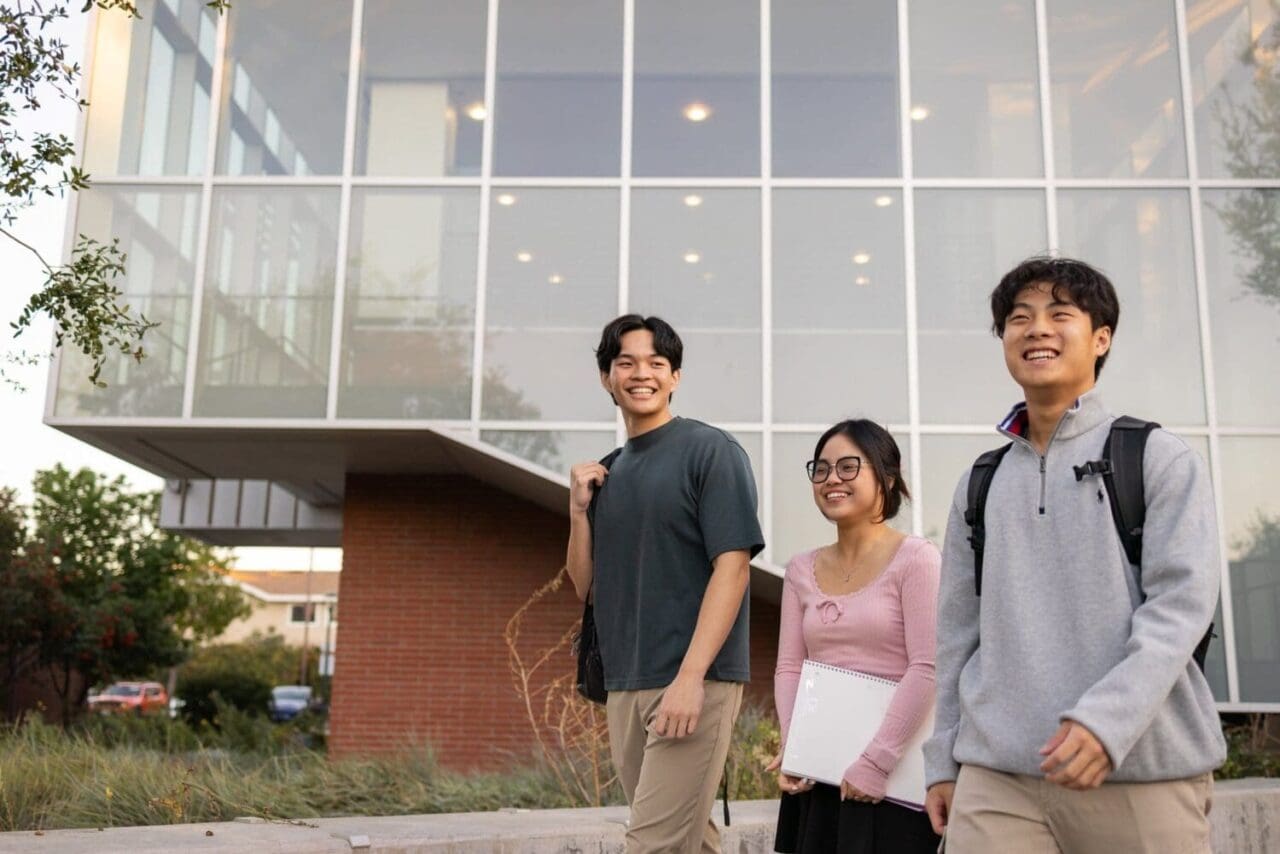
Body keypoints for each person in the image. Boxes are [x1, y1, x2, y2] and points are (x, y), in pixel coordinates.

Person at [922, 256, 1226, 853]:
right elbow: (957, 633)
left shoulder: (1156, 457)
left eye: (1060, 314)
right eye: (1019, 317)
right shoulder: (980, 482)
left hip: (1140, 772)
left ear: (1101, 338)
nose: (1036, 328)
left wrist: (1105, 722)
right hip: (996, 780)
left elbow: (1180, 610)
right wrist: (944, 758)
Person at [565, 314, 764, 854]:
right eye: (625, 362)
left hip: (692, 678)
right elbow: (585, 586)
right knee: (688, 841)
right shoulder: (607, 472)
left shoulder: (710, 451)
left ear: (675, 376)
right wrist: (579, 513)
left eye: (656, 363)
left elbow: (734, 567)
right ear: (606, 377)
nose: (641, 373)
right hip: (626, 683)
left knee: (650, 844)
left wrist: (691, 678)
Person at [769, 419, 942, 854]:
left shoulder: (917, 559)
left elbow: (928, 668)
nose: (831, 479)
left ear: (886, 478)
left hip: (892, 780)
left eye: (848, 467)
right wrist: (794, 748)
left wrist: (875, 764)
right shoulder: (799, 570)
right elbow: (790, 666)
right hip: (818, 778)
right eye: (821, 469)